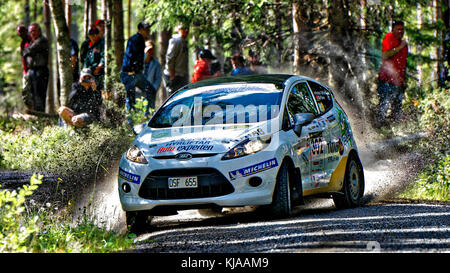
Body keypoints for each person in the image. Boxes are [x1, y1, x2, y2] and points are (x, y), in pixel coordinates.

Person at [376, 20, 408, 127]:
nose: (401, 31)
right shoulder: (388, 38)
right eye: (398, 29)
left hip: (398, 83)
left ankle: (395, 132)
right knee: (383, 106)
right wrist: (399, 47)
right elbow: (385, 55)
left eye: (402, 29)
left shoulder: (403, 44)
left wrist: (404, 80)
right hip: (386, 81)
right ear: (393, 30)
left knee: (397, 109)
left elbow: (403, 64)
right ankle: (378, 130)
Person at [120, 22, 156, 113]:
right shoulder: (137, 40)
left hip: (134, 74)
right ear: (140, 30)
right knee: (131, 99)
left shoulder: (138, 39)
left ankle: (147, 116)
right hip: (131, 74)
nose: (147, 31)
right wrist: (132, 69)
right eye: (145, 29)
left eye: (148, 29)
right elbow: (131, 56)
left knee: (149, 92)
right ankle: (133, 121)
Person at [22, 23, 49, 113]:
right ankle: (36, 112)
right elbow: (24, 52)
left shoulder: (42, 40)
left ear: (39, 31)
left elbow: (29, 51)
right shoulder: (31, 42)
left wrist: (27, 50)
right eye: (30, 31)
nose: (32, 33)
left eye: (34, 30)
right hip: (33, 70)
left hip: (41, 70)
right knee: (32, 93)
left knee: (40, 93)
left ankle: (41, 113)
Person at [163, 24, 189, 95]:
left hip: (181, 76)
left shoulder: (183, 42)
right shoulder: (176, 41)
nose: (185, 31)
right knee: (173, 98)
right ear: (178, 30)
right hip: (174, 76)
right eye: (183, 29)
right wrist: (172, 76)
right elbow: (170, 58)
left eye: (187, 29)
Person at [83, 27, 105, 91]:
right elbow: (86, 60)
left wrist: (100, 66)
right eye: (91, 36)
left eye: (94, 35)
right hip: (90, 72)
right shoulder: (89, 46)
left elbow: (104, 56)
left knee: (100, 90)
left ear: (98, 35)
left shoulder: (102, 44)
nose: (92, 37)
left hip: (100, 72)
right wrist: (84, 71)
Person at [17, 24, 32, 110]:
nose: (20, 34)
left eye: (21, 32)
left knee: (31, 92)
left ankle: (34, 111)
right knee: (25, 93)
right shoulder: (22, 43)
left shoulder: (31, 40)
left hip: (31, 70)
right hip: (25, 71)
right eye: (19, 32)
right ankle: (30, 109)